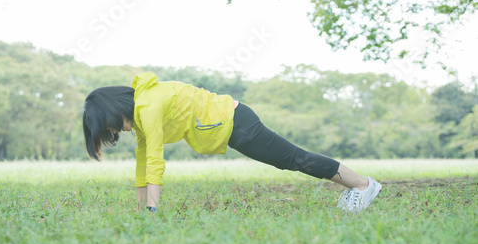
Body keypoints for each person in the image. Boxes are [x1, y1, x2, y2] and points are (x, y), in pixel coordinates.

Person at [83, 72, 382, 213]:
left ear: (114, 109)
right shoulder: (141, 107)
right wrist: (140, 208)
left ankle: (363, 185)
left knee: (294, 159)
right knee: (291, 160)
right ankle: (358, 185)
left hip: (237, 123)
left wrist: (151, 210)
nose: (116, 130)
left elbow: (155, 160)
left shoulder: (147, 107)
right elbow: (142, 160)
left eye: (111, 124)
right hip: (232, 123)